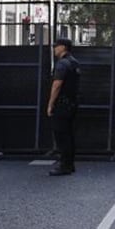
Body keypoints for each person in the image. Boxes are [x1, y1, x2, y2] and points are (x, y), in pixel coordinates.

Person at [46, 37, 81, 176]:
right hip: (72, 103)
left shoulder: (62, 64)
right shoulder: (74, 63)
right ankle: (69, 163)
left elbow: (57, 85)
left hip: (62, 104)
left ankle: (64, 165)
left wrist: (50, 104)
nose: (54, 48)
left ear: (63, 48)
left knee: (61, 135)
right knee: (69, 135)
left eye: (56, 46)